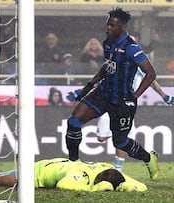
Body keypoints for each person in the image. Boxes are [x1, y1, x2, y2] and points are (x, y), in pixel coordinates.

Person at [64, 7, 160, 180]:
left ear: (123, 27)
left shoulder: (131, 48)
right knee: (73, 122)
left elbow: (151, 73)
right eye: (108, 24)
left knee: (120, 142)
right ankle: (73, 164)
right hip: (103, 93)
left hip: (122, 100)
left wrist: (135, 96)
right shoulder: (107, 42)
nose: (108, 28)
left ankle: (148, 158)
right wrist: (87, 87)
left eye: (112, 26)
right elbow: (107, 67)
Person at [0, 158, 147, 192]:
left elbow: (134, 183)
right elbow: (64, 186)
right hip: (36, 173)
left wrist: (127, 185)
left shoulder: (103, 166)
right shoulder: (83, 176)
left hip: (45, 165)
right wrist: (98, 189)